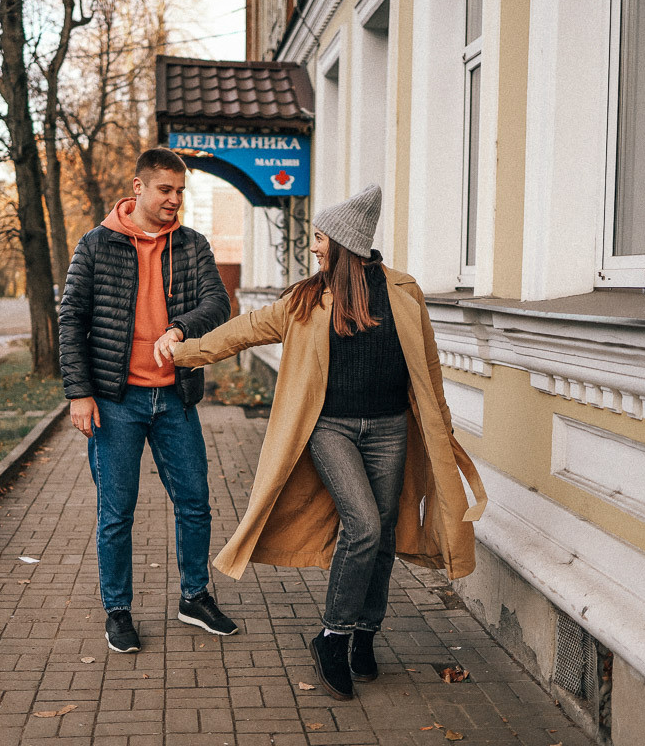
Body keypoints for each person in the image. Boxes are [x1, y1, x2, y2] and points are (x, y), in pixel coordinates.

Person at [167, 184, 487, 700]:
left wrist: (442, 429)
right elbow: (245, 329)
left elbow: (428, 367)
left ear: (344, 243)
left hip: (389, 429)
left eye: (319, 238)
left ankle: (366, 634)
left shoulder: (403, 293)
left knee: (384, 535)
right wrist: (184, 351)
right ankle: (333, 637)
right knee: (363, 524)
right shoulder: (305, 300)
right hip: (329, 428)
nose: (313, 246)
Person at [58, 147, 237, 653]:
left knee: (195, 503)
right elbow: (72, 319)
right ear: (138, 188)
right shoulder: (96, 244)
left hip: (175, 398)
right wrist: (79, 393)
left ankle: (194, 597)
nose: (174, 199)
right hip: (115, 402)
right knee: (116, 513)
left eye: (180, 191)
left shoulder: (192, 245)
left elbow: (217, 302)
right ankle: (118, 611)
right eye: (165, 190)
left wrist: (180, 327)